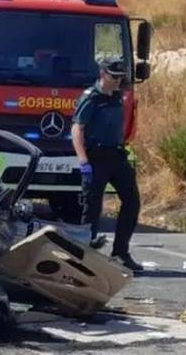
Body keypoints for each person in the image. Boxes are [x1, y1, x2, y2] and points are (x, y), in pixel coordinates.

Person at [71, 57, 142, 272]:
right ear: (103, 74)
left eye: (121, 76)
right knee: (92, 209)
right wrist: (83, 161)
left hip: (117, 156)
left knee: (132, 201)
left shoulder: (118, 95)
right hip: (96, 157)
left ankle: (121, 251)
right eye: (114, 76)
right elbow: (77, 129)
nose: (119, 80)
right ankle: (84, 256)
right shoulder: (91, 98)